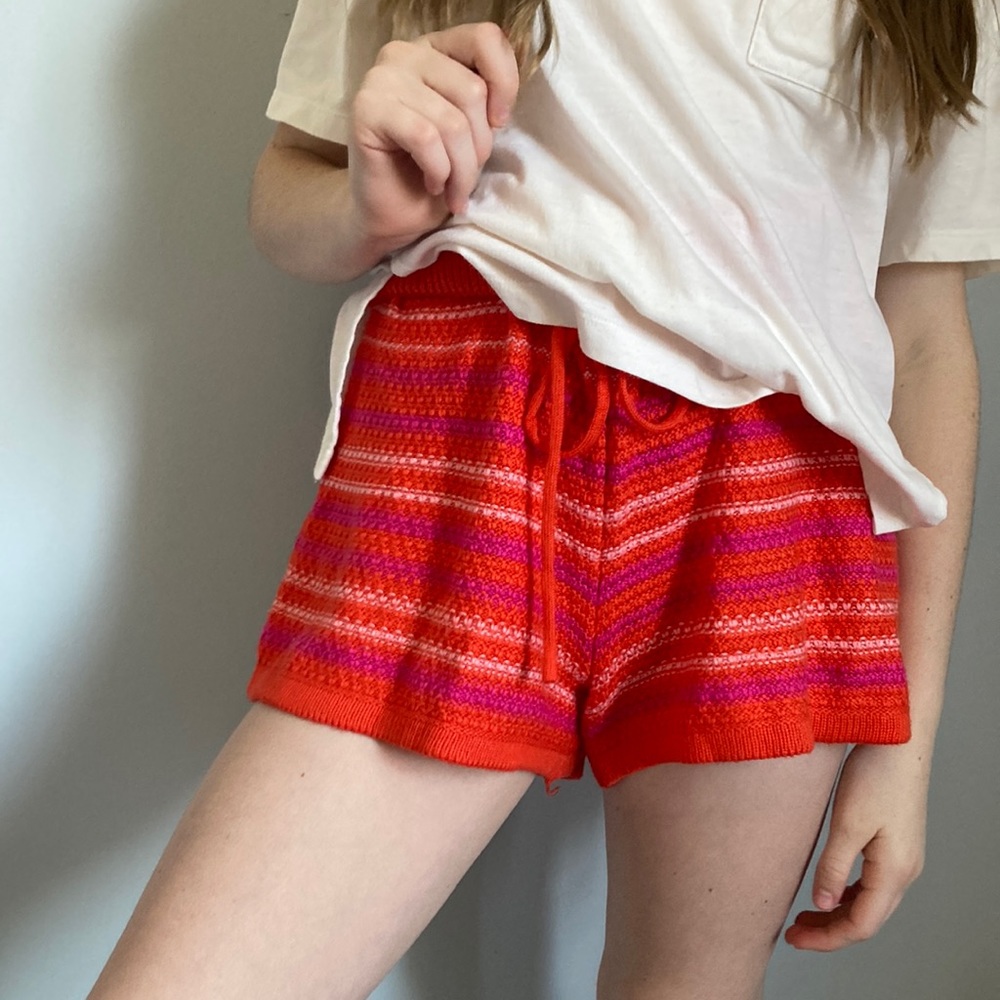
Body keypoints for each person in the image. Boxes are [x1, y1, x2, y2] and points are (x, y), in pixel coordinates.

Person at [88, 1, 998, 998]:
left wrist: (906, 742)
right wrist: (365, 209)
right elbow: (287, 187)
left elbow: (921, 332)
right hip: (466, 450)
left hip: (773, 503)